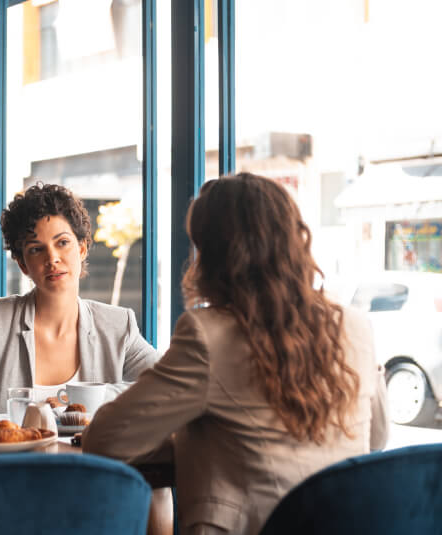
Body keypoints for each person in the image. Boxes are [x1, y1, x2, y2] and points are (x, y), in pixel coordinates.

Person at [82, 173, 389, 535]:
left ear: (215, 255)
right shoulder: (355, 326)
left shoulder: (209, 335)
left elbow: (105, 439)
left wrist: (190, 429)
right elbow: (377, 437)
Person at [0, 183, 158, 416]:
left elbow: (168, 383)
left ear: (83, 248)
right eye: (37, 249)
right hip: (5, 453)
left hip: (87, 454)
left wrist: (91, 398)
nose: (52, 258)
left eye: (63, 243)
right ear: (23, 264)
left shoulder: (118, 325)